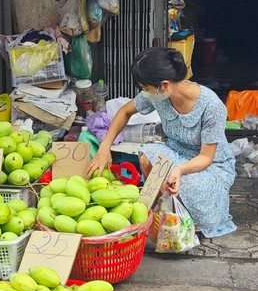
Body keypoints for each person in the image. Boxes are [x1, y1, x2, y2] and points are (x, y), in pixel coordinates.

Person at [87, 47, 237, 238]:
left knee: (185, 185)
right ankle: (162, 209)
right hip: (176, 151)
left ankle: (186, 215)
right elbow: (125, 111)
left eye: (146, 89)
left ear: (164, 85)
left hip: (209, 165)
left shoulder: (211, 106)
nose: (145, 93)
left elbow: (206, 157)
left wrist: (180, 170)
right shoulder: (158, 94)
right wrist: (104, 147)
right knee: (147, 156)